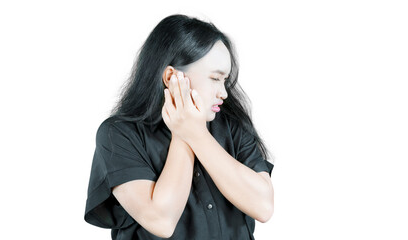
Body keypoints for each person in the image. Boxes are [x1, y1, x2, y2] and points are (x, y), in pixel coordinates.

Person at [84, 14, 275, 240]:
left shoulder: (232, 125)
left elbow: (263, 207)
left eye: (225, 81)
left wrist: (196, 133)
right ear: (171, 77)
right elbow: (162, 221)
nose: (223, 93)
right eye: (215, 78)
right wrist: (183, 132)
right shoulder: (119, 134)